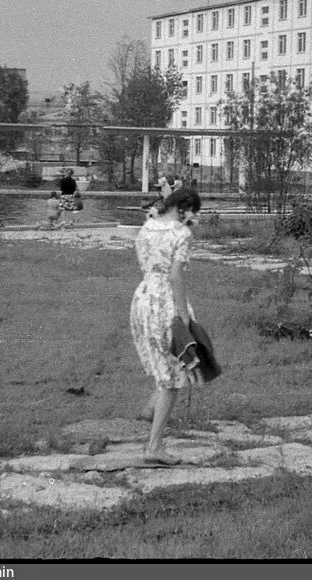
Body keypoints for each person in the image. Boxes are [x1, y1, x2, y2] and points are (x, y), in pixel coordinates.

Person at [129, 188, 203, 465]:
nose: (195, 216)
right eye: (194, 210)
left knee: (163, 363)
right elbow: (176, 275)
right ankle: (154, 447)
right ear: (184, 208)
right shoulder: (182, 235)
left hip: (143, 297)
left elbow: (150, 256)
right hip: (165, 303)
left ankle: (151, 408)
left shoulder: (148, 227)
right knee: (173, 376)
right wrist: (185, 316)